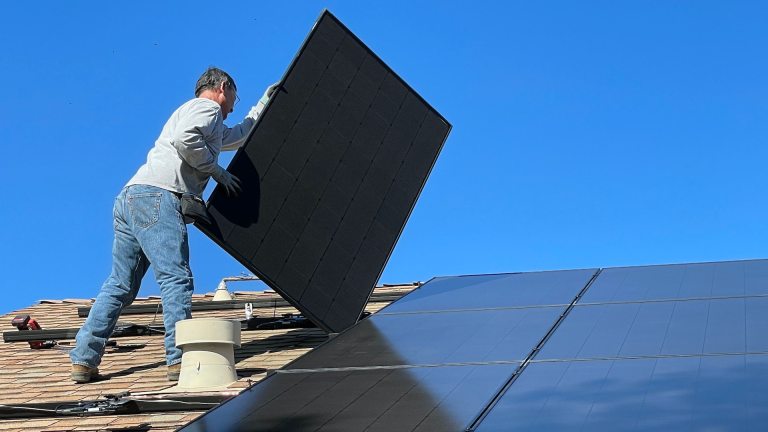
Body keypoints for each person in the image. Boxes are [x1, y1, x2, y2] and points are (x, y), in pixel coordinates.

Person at [70, 67, 276, 383]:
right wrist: (216, 172)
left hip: (131, 197)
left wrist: (263, 103)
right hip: (159, 196)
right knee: (176, 277)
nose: (234, 105)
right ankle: (179, 360)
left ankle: (84, 359)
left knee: (120, 285)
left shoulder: (201, 117)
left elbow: (237, 136)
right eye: (234, 97)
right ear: (223, 87)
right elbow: (185, 139)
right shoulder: (206, 108)